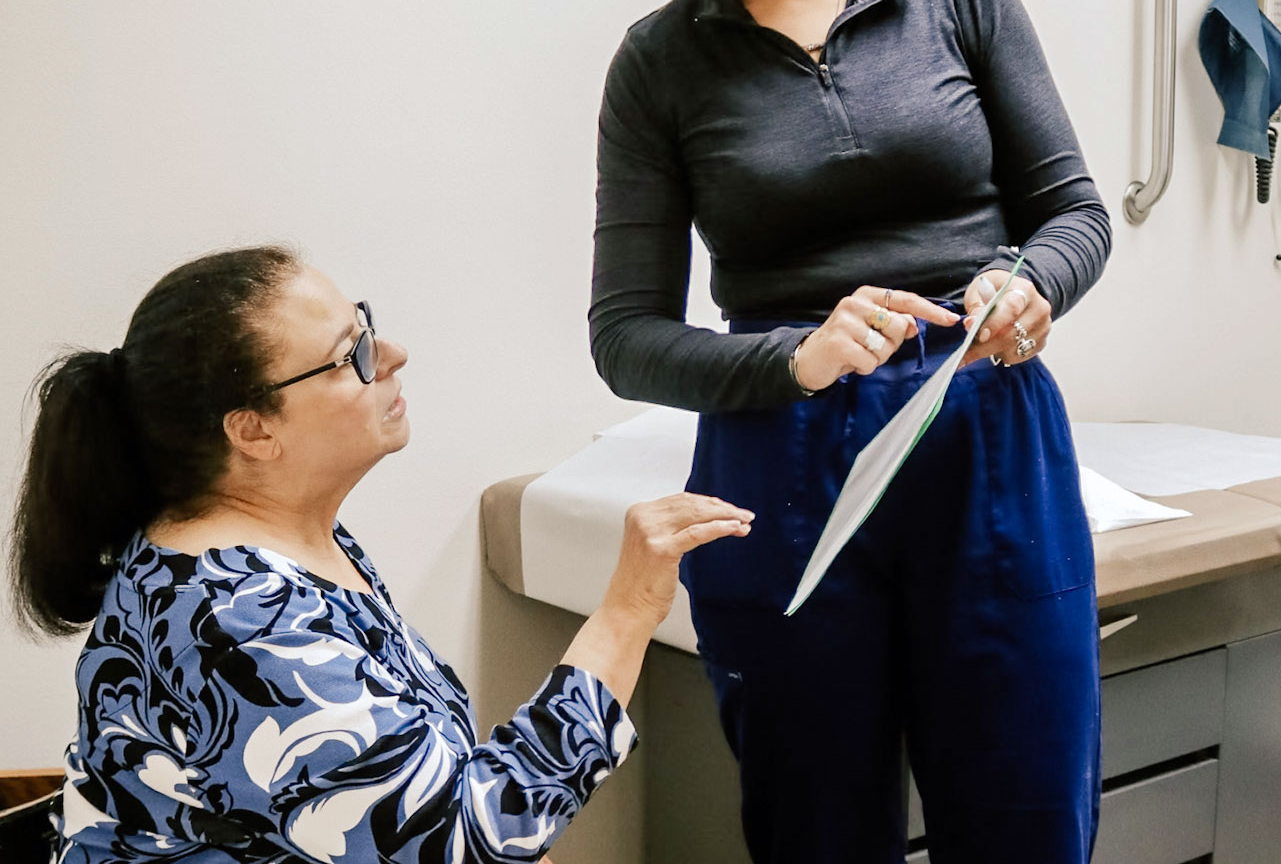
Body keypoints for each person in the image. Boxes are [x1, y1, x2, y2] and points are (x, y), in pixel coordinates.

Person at [589, 0, 1112, 862]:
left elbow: (1073, 212)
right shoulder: (659, 64)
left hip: (987, 435)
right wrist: (796, 358)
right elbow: (625, 338)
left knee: (1026, 816)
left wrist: (1032, 283)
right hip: (780, 470)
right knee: (815, 828)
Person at [8, 245, 753, 863]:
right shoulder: (237, 621)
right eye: (351, 355)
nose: (392, 354)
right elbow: (463, 842)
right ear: (254, 433)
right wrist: (628, 611)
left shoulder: (285, 544)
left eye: (365, 326)